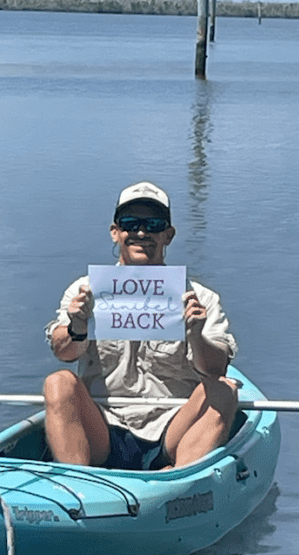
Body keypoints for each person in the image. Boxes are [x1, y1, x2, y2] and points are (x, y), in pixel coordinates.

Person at [43, 182, 239, 470]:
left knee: (224, 388)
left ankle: (178, 480)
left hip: (172, 427)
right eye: (130, 223)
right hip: (102, 425)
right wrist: (77, 325)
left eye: (154, 224)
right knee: (58, 382)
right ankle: (78, 481)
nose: (141, 233)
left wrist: (196, 335)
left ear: (168, 235)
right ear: (115, 232)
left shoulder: (200, 298)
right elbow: (64, 353)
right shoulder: (85, 290)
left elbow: (216, 368)